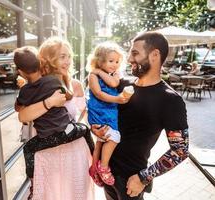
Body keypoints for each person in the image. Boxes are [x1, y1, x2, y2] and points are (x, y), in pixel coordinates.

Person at [91, 32, 189, 200]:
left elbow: (180, 151)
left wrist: (144, 178)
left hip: (131, 182)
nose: (129, 59)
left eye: (135, 53)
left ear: (155, 55)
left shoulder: (170, 99)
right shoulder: (122, 85)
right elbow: (100, 111)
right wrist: (96, 129)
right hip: (107, 173)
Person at [17, 38, 95, 200]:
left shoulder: (75, 84)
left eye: (69, 56)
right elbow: (22, 114)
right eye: (62, 57)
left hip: (75, 152)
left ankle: (98, 164)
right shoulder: (38, 86)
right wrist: (49, 101)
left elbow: (84, 115)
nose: (67, 61)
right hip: (47, 154)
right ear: (49, 59)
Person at [87, 42, 131, 186]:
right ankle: (103, 167)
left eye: (117, 61)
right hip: (99, 112)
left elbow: (113, 82)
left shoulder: (115, 74)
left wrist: (102, 72)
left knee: (101, 141)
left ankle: (94, 168)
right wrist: (117, 99)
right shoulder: (93, 75)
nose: (114, 64)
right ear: (100, 60)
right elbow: (99, 94)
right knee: (113, 137)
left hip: (110, 112)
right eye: (111, 61)